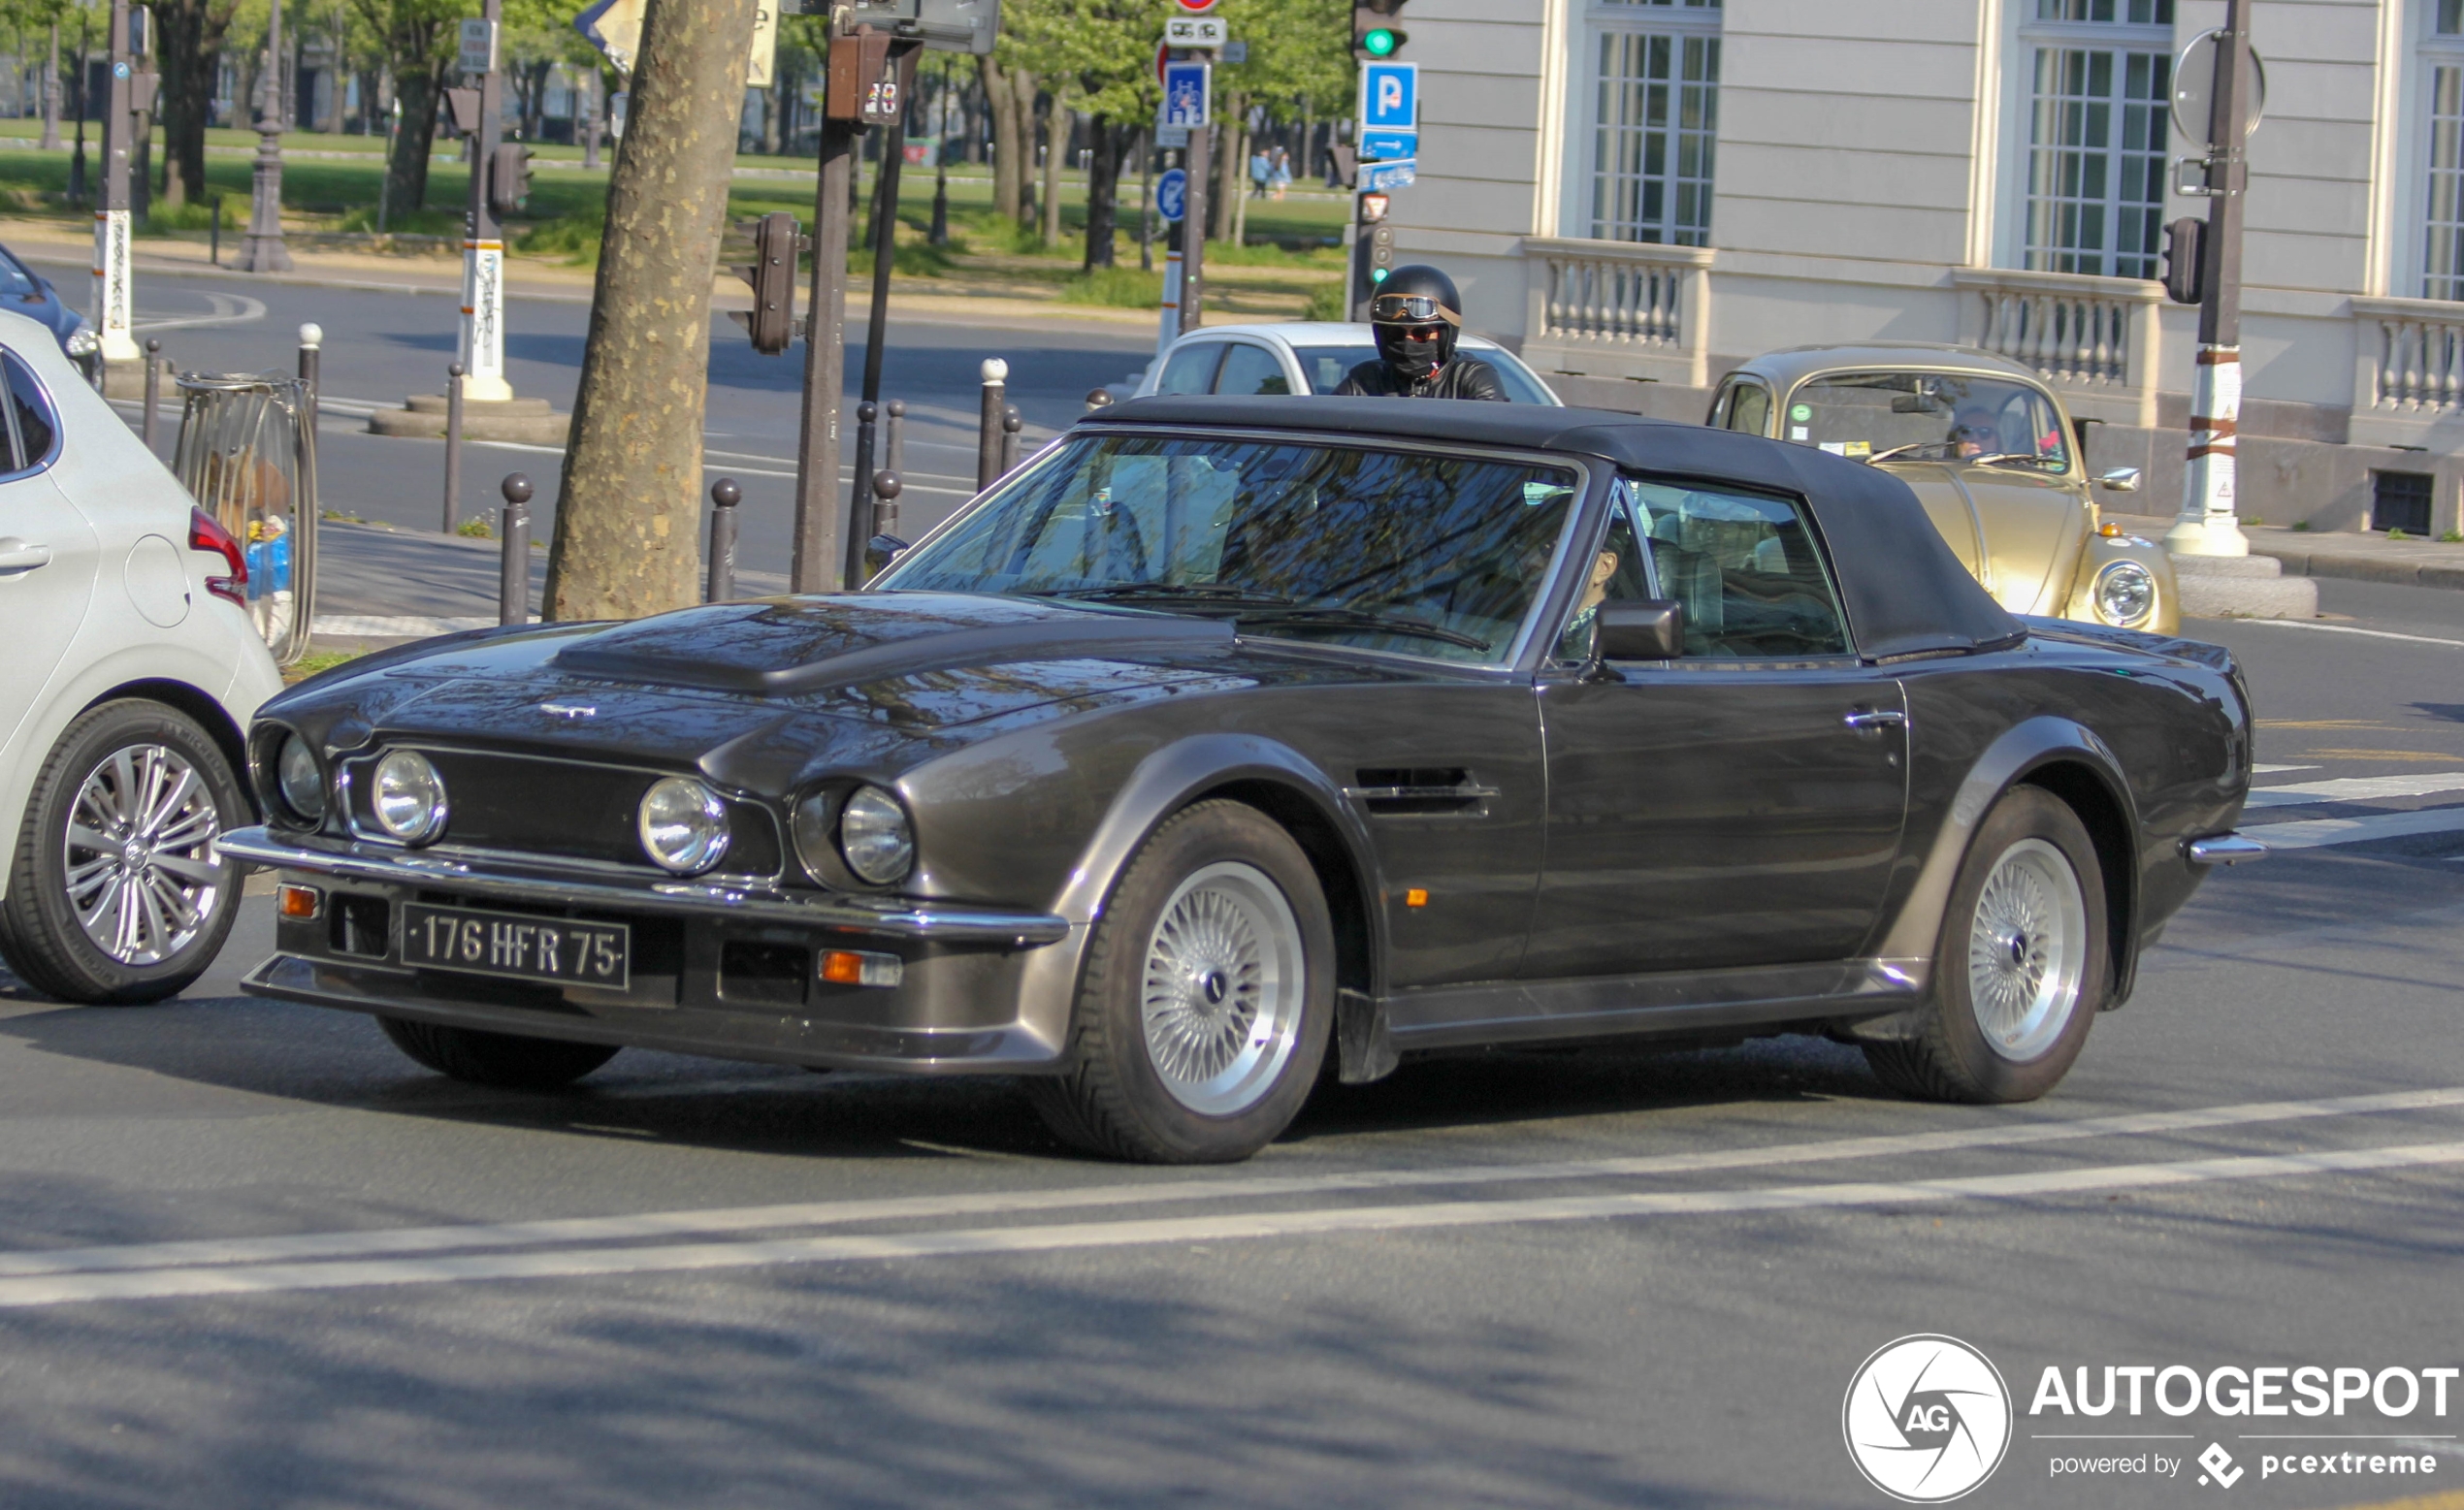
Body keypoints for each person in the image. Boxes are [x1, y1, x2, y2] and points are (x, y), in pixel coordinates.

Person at [1335, 265, 1510, 401]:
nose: (1407, 341)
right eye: (1395, 335)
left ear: (1444, 336)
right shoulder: (1365, 381)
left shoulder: (1470, 377)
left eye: (1421, 333)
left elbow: (1493, 432)